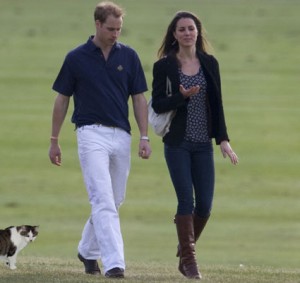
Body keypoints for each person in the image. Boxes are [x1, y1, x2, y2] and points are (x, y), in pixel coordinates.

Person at [48, 1, 151, 278]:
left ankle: (87, 250)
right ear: (97, 24)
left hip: (122, 135)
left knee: (115, 199)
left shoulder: (129, 57)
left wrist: (144, 136)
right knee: (103, 199)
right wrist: (54, 139)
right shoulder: (76, 57)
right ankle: (115, 264)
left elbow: (139, 98)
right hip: (89, 133)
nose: (116, 33)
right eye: (110, 28)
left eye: (119, 29)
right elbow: (62, 100)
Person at [151, 11, 238, 280]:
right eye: (182, 29)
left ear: (198, 32)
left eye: (191, 28)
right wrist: (182, 96)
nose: (187, 33)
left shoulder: (210, 63)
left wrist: (223, 140)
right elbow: (157, 103)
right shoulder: (164, 66)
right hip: (177, 143)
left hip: (203, 145)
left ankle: (184, 244)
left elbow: (217, 104)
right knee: (185, 201)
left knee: (205, 206)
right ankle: (189, 262)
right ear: (174, 35)